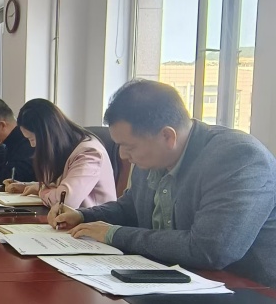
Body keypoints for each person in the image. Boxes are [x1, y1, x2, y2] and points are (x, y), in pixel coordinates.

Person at [52, 80, 276, 288]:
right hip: (175, 278)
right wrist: (83, 216)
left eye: (129, 146)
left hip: (249, 288)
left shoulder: (239, 158)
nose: (122, 155)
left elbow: (210, 250)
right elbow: (130, 208)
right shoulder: (154, 158)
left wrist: (114, 234)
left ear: (168, 136)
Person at [8, 98, 116, 208]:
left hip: (90, 218)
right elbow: (58, 184)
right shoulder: (65, 147)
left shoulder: (89, 153)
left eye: (32, 139)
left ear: (48, 134)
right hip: (69, 217)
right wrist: (31, 186)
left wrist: (42, 191)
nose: (32, 145)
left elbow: (66, 201)